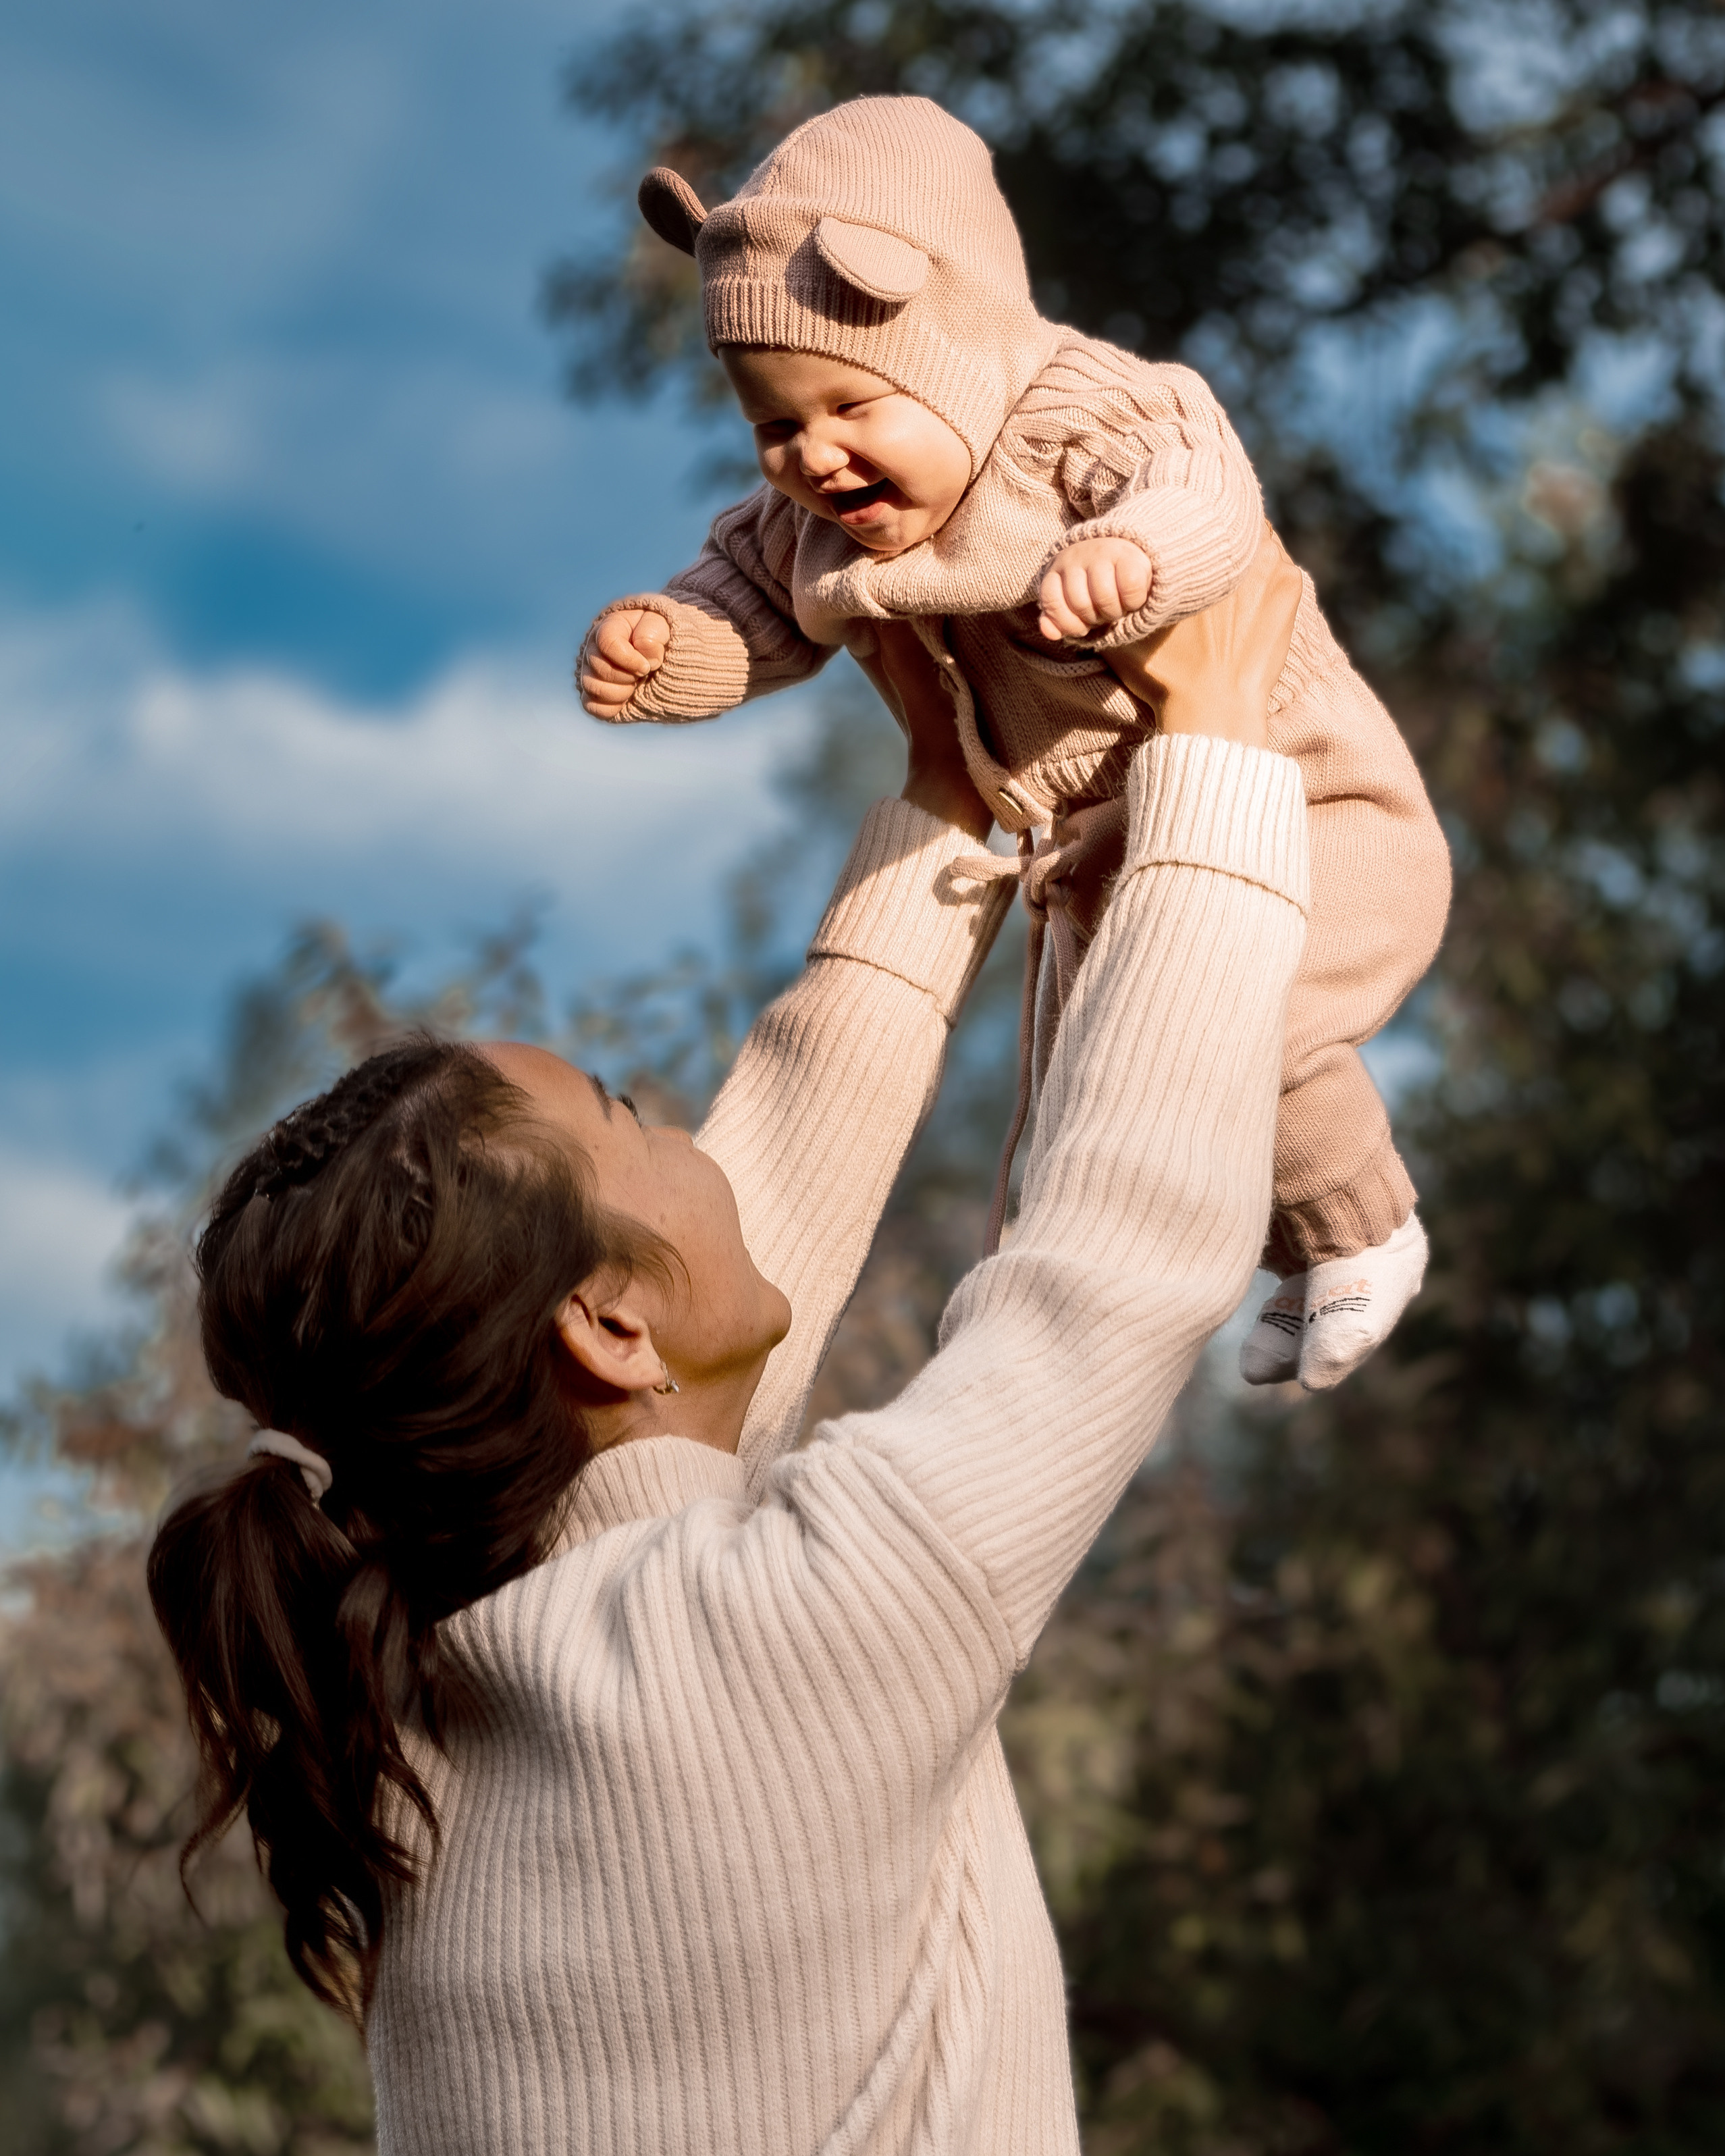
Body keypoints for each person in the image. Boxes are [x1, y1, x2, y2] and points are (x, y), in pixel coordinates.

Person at [150, 539, 1307, 2155]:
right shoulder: (755, 1646)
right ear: (610, 1329)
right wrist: (1221, 750)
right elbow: (1111, 1264)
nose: (690, 1131)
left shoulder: (454, 1687)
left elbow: (743, 1240)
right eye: (630, 1119)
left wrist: (942, 809)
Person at [577, 94, 1450, 1392]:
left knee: (1228, 1029)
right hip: (1108, 865)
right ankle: (1290, 1255)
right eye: (773, 423)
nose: (813, 455)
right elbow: (747, 604)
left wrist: (1131, 554)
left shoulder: (1080, 420)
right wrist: (670, 646)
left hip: (1299, 802)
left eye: (849, 404)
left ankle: (1362, 1226)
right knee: (1106, 1112)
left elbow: (1203, 486)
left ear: (956, 346)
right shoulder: (807, 522)